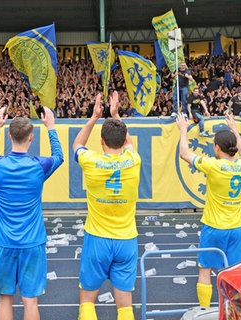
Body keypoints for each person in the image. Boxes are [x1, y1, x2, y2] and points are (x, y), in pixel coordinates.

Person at [0, 106, 63, 320]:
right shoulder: (39, 166)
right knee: (30, 300)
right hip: (32, 242)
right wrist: (51, 127)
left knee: (5, 298)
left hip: (4, 241)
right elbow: (59, 156)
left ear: (9, 135)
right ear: (31, 137)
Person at [73, 91, 142, 320]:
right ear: (123, 141)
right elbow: (129, 143)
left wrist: (94, 117)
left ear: (101, 141)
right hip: (126, 239)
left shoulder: (91, 161)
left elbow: (77, 144)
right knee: (125, 306)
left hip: (98, 238)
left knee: (87, 302)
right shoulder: (133, 160)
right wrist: (116, 115)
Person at [176, 111, 241, 309]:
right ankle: (235, 311)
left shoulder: (214, 165)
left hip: (214, 226)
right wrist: (235, 128)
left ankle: (203, 310)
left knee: (204, 270)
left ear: (217, 148)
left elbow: (184, 154)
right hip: (236, 227)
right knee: (234, 272)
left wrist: (183, 130)